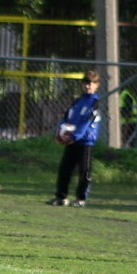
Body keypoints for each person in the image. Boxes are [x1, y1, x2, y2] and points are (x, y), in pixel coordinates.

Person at [50, 70, 101, 208]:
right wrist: (60, 134)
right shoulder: (78, 101)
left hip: (85, 142)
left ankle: (81, 198)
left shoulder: (95, 103)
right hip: (71, 141)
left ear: (97, 85)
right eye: (85, 83)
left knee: (85, 171)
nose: (87, 86)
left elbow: (86, 123)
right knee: (65, 169)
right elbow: (66, 118)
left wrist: (74, 137)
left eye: (91, 83)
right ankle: (61, 197)